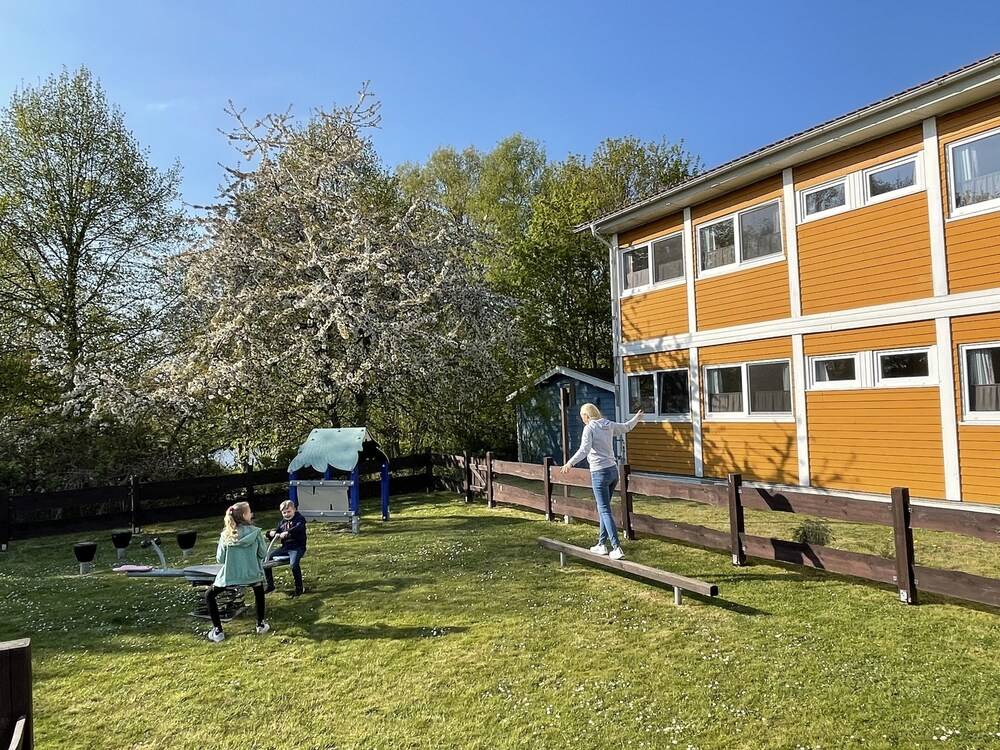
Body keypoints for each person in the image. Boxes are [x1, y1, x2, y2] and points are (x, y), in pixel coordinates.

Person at [560, 403, 643, 560]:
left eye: (582, 416)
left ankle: (616, 547)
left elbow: (584, 450)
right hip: (613, 471)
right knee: (604, 510)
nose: (582, 419)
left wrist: (570, 463)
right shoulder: (608, 424)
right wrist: (637, 418)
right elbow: (626, 427)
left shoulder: (590, 428)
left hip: (599, 473)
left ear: (586, 415)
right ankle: (601, 544)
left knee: (604, 510)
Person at [206, 501, 269, 643]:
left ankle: (218, 630)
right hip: (252, 574)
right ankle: (260, 624)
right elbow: (262, 554)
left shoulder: (225, 535)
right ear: (245, 515)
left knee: (209, 595)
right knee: (258, 591)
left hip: (230, 575)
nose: (251, 514)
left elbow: (220, 559)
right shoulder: (256, 532)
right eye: (250, 511)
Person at [264, 500, 307, 596]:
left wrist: (288, 532)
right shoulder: (282, 523)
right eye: (284, 512)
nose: (287, 514)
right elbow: (276, 533)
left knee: (294, 565)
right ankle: (270, 585)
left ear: (294, 510)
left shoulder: (300, 519)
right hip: (285, 548)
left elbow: (298, 528)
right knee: (267, 560)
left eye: (289, 512)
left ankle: (299, 588)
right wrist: (269, 534)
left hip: (297, 547)